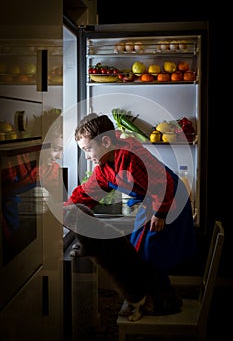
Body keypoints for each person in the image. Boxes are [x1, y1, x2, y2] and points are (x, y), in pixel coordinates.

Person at [64, 112, 196, 311]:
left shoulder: (132, 157)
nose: (87, 156)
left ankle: (163, 301)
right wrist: (67, 209)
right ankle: (148, 296)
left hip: (169, 200)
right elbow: (88, 192)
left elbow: (162, 182)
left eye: (88, 149)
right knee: (138, 248)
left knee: (152, 251)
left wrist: (160, 213)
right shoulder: (104, 167)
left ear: (106, 142)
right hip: (150, 202)